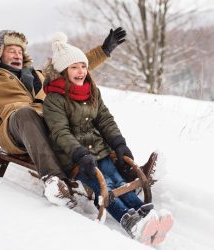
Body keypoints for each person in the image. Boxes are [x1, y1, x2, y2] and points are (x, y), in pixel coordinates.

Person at [0, 28, 126, 209]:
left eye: (20, 51)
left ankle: (122, 167)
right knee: (27, 113)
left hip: (50, 122)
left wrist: (104, 50)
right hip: (14, 126)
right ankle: (54, 180)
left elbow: (73, 67)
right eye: (11, 50)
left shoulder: (38, 75)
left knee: (79, 112)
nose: (17, 54)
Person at [42, 32, 173, 246]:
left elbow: (105, 119)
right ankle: (129, 221)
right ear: (63, 71)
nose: (81, 71)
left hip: (100, 151)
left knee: (119, 181)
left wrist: (119, 143)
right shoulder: (54, 100)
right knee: (106, 188)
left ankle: (144, 213)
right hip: (76, 158)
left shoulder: (91, 91)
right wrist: (79, 153)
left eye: (83, 66)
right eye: (74, 67)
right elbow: (60, 133)